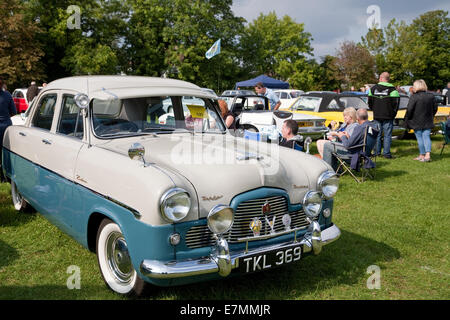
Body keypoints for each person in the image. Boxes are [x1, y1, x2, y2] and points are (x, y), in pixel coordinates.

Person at [368, 72, 400, 159]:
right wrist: (393, 114)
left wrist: (374, 110)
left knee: (376, 135)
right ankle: (386, 154)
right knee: (387, 135)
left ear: (381, 78)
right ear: (388, 79)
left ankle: (376, 152)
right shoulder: (393, 90)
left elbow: (369, 103)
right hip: (388, 116)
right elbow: (396, 105)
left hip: (377, 115)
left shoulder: (373, 89)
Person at [404, 79, 438, 162]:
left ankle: (424, 155)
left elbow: (410, 109)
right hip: (428, 120)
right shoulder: (431, 96)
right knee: (426, 136)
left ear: (416, 86)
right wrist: (431, 115)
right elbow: (435, 108)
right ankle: (425, 155)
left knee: (420, 138)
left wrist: (407, 118)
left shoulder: (414, 97)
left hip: (416, 120)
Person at [0, 77, 17, 181]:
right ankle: (7, 175)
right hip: (5, 126)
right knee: (6, 151)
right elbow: (14, 112)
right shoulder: (7, 95)